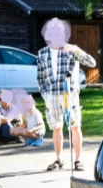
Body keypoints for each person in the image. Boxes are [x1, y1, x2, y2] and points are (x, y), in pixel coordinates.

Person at [36, 17, 97, 171]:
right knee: (56, 127)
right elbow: (40, 77)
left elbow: (92, 63)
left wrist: (77, 50)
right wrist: (44, 93)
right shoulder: (42, 54)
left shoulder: (71, 50)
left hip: (69, 96)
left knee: (75, 126)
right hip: (51, 96)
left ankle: (78, 160)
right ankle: (58, 159)